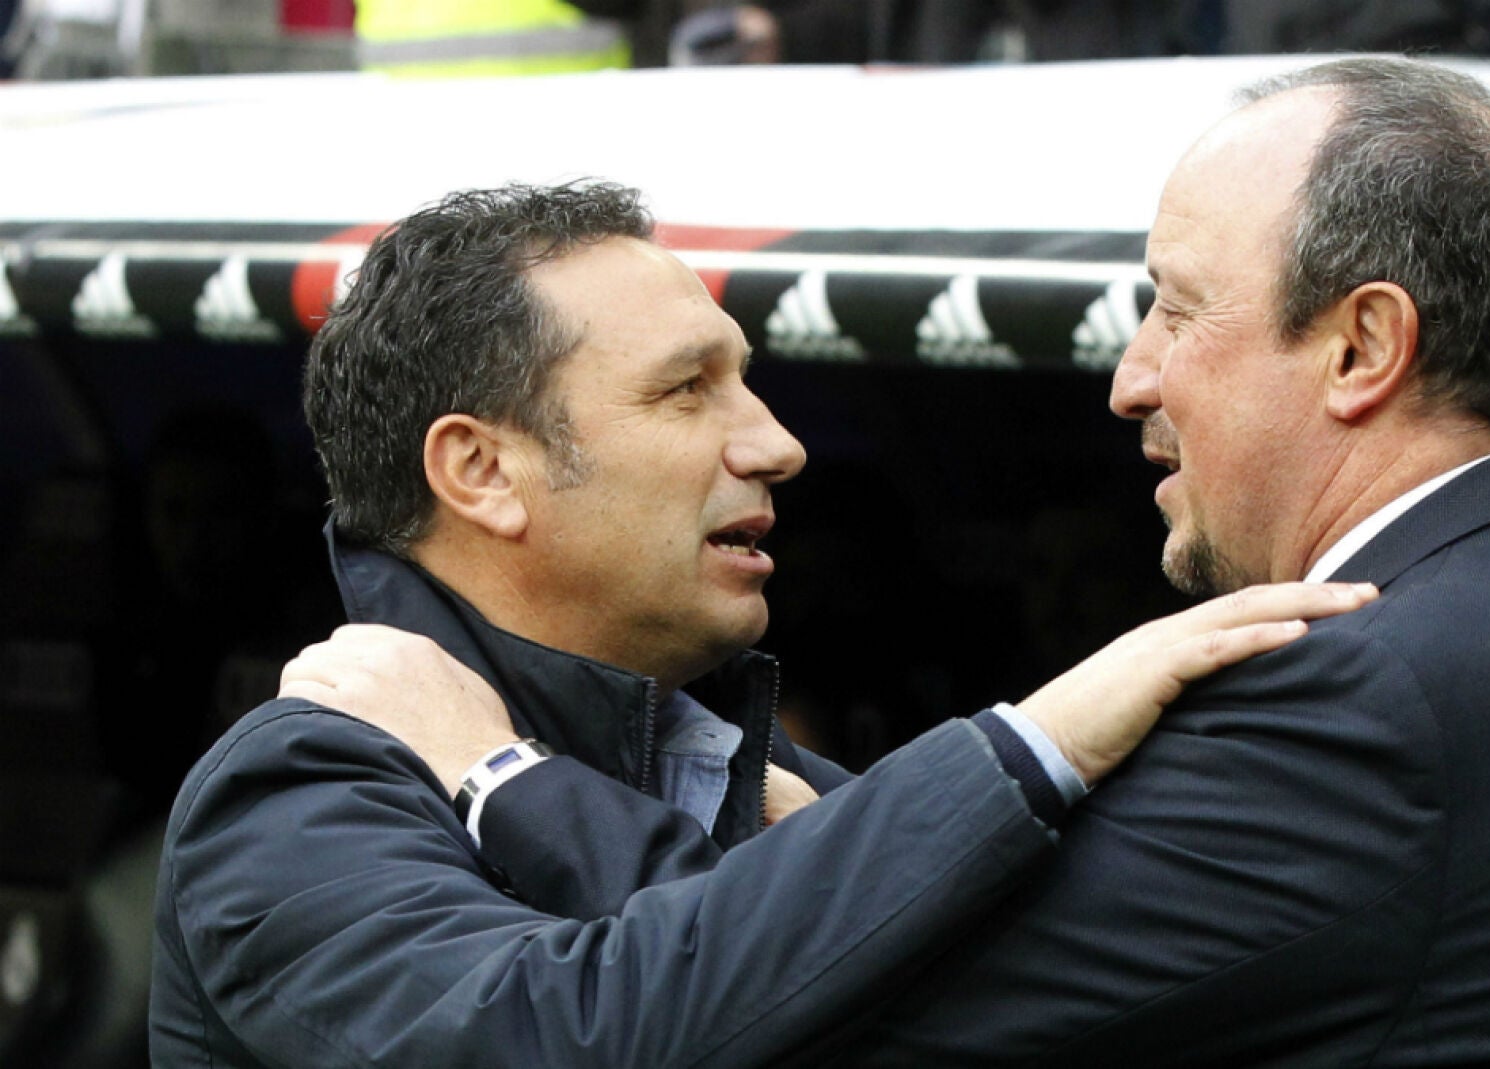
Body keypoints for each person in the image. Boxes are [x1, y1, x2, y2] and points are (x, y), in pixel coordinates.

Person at [322, 57, 1490, 1064]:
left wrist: (495, 774)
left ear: (1366, 345)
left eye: (1176, 310)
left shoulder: (1373, 706)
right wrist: (807, 800)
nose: (1129, 377)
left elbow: (833, 996)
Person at [148, 182, 1374, 1068]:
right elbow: (544, 1036)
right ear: (481, 472)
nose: (778, 444)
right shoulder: (304, 781)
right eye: (687, 389)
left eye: (747, 378)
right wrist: (1025, 745)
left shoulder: (739, 762)